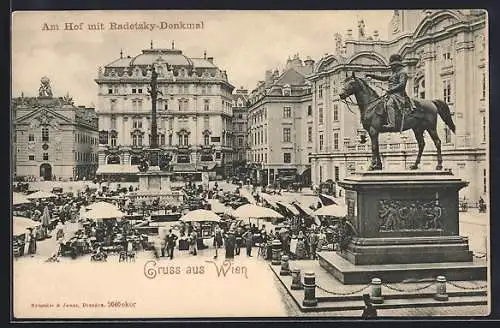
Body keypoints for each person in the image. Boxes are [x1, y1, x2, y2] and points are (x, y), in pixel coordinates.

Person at [366, 53, 415, 129]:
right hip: (391, 94)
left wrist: (391, 90)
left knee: (389, 104)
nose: (391, 67)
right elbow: (383, 78)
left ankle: (392, 123)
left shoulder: (402, 73)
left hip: (398, 94)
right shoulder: (394, 74)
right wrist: (371, 75)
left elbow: (402, 85)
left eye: (392, 65)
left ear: (397, 65)